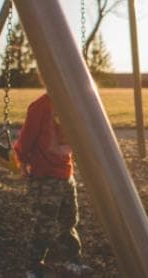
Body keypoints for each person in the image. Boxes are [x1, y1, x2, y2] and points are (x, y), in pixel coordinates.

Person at [13, 90, 92, 277]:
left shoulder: (71, 104)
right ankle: (33, 266)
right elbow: (27, 137)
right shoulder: (40, 106)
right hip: (45, 176)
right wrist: (22, 160)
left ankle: (71, 260)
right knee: (44, 223)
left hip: (65, 173)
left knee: (69, 220)